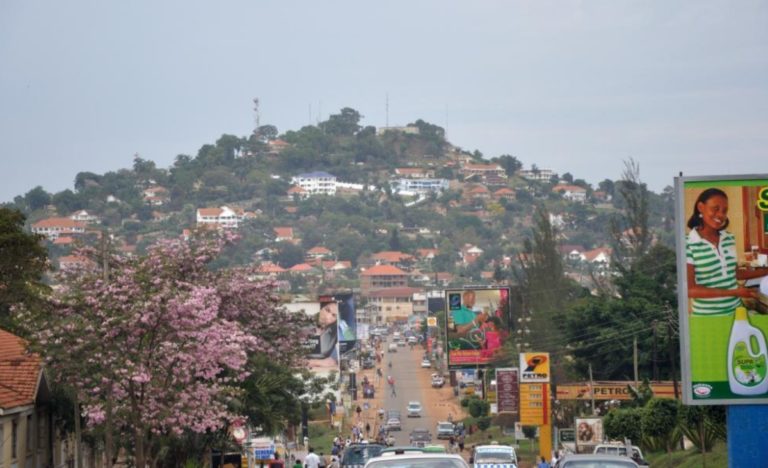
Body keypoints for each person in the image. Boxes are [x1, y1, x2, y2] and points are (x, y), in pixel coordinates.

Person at [686, 188, 760, 315]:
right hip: (708, 318)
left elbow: (736, 273)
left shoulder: (729, 238)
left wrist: (764, 271)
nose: (721, 215)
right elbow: (690, 290)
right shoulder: (687, 243)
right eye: (716, 209)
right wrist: (734, 292)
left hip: (737, 312)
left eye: (724, 211)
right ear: (700, 207)